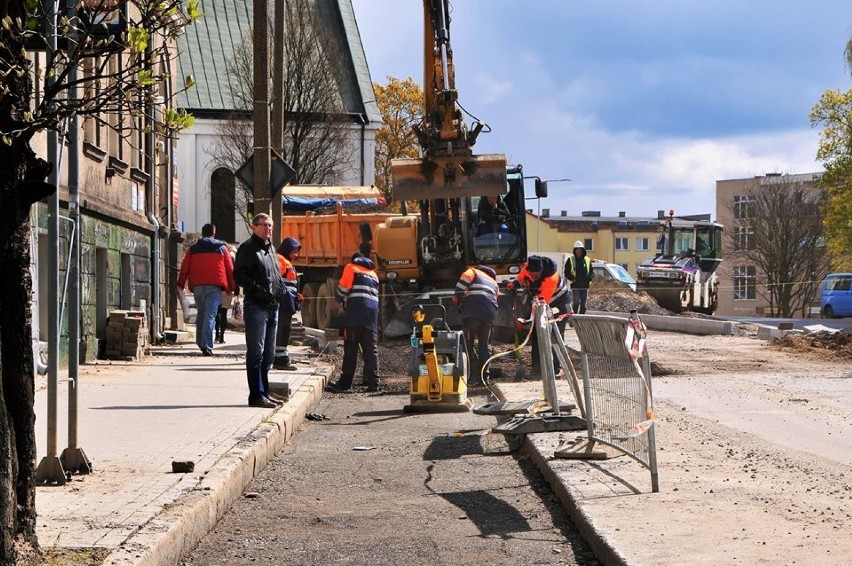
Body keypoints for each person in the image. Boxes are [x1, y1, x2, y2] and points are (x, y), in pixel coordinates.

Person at [233, 213, 287, 408]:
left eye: (270, 225)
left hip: (273, 307)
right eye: (263, 225)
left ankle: (264, 391)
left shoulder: (270, 248)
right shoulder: (248, 248)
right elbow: (239, 276)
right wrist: (260, 292)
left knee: (268, 355)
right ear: (253, 227)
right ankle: (256, 396)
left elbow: (275, 274)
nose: (268, 229)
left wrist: (283, 292)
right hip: (257, 306)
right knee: (256, 353)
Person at [176, 223, 235, 356]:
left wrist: (180, 283)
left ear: (202, 234)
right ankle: (206, 345)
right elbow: (230, 269)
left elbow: (185, 268)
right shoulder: (222, 248)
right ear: (214, 233)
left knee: (201, 313)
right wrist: (231, 287)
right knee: (210, 315)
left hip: (198, 286)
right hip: (214, 286)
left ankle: (200, 342)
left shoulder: (193, 249)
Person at [325, 254, 380, 393]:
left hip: (355, 314)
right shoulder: (373, 274)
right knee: (370, 349)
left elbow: (343, 290)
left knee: (350, 348)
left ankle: (345, 383)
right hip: (371, 315)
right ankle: (374, 382)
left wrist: (339, 298)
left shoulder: (351, 268)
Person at [510, 255, 571, 377]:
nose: (533, 277)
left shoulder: (550, 278)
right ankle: (537, 370)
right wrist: (514, 284)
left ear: (542, 271)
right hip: (540, 302)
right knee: (536, 335)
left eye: (536, 276)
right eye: (531, 275)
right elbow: (521, 279)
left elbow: (542, 302)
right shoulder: (526, 269)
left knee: (555, 335)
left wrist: (530, 313)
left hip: (558, 305)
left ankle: (556, 369)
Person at [453, 264, 499, 382]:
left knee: (467, 345)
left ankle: (469, 375)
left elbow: (460, 286)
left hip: (472, 314)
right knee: (485, 345)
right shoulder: (494, 283)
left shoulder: (472, 271)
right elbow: (494, 300)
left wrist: (458, 301)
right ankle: (484, 376)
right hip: (489, 316)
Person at [274, 237, 302, 371]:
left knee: (284, 329)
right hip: (283, 302)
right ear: (287, 250)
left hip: (287, 300)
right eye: (294, 252)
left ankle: (279, 357)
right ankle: (280, 359)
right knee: (283, 329)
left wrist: (296, 295)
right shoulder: (280, 260)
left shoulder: (285, 261)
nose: (296, 255)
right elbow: (276, 280)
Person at [214, 244, 238, 344]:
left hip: (216, 286)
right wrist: (236, 289)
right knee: (223, 313)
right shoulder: (231, 257)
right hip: (227, 288)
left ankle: (216, 335)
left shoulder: (216, 256)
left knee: (216, 313)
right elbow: (234, 273)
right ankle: (222, 337)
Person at [565, 241, 593, 315]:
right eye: (577, 249)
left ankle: (581, 319)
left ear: (582, 250)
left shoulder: (587, 260)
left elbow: (591, 272)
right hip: (575, 286)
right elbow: (566, 272)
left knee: (584, 305)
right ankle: (574, 319)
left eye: (580, 249)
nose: (579, 251)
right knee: (576, 302)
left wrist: (589, 279)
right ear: (575, 250)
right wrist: (572, 278)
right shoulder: (570, 260)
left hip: (585, 286)